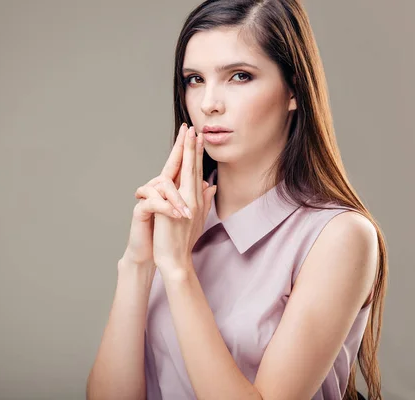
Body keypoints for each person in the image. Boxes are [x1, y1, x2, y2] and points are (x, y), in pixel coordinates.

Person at [86, 0, 388, 399]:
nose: (209, 102)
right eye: (194, 79)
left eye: (239, 76)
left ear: (294, 90)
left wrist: (178, 272)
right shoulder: (177, 221)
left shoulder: (339, 237)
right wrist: (137, 263)